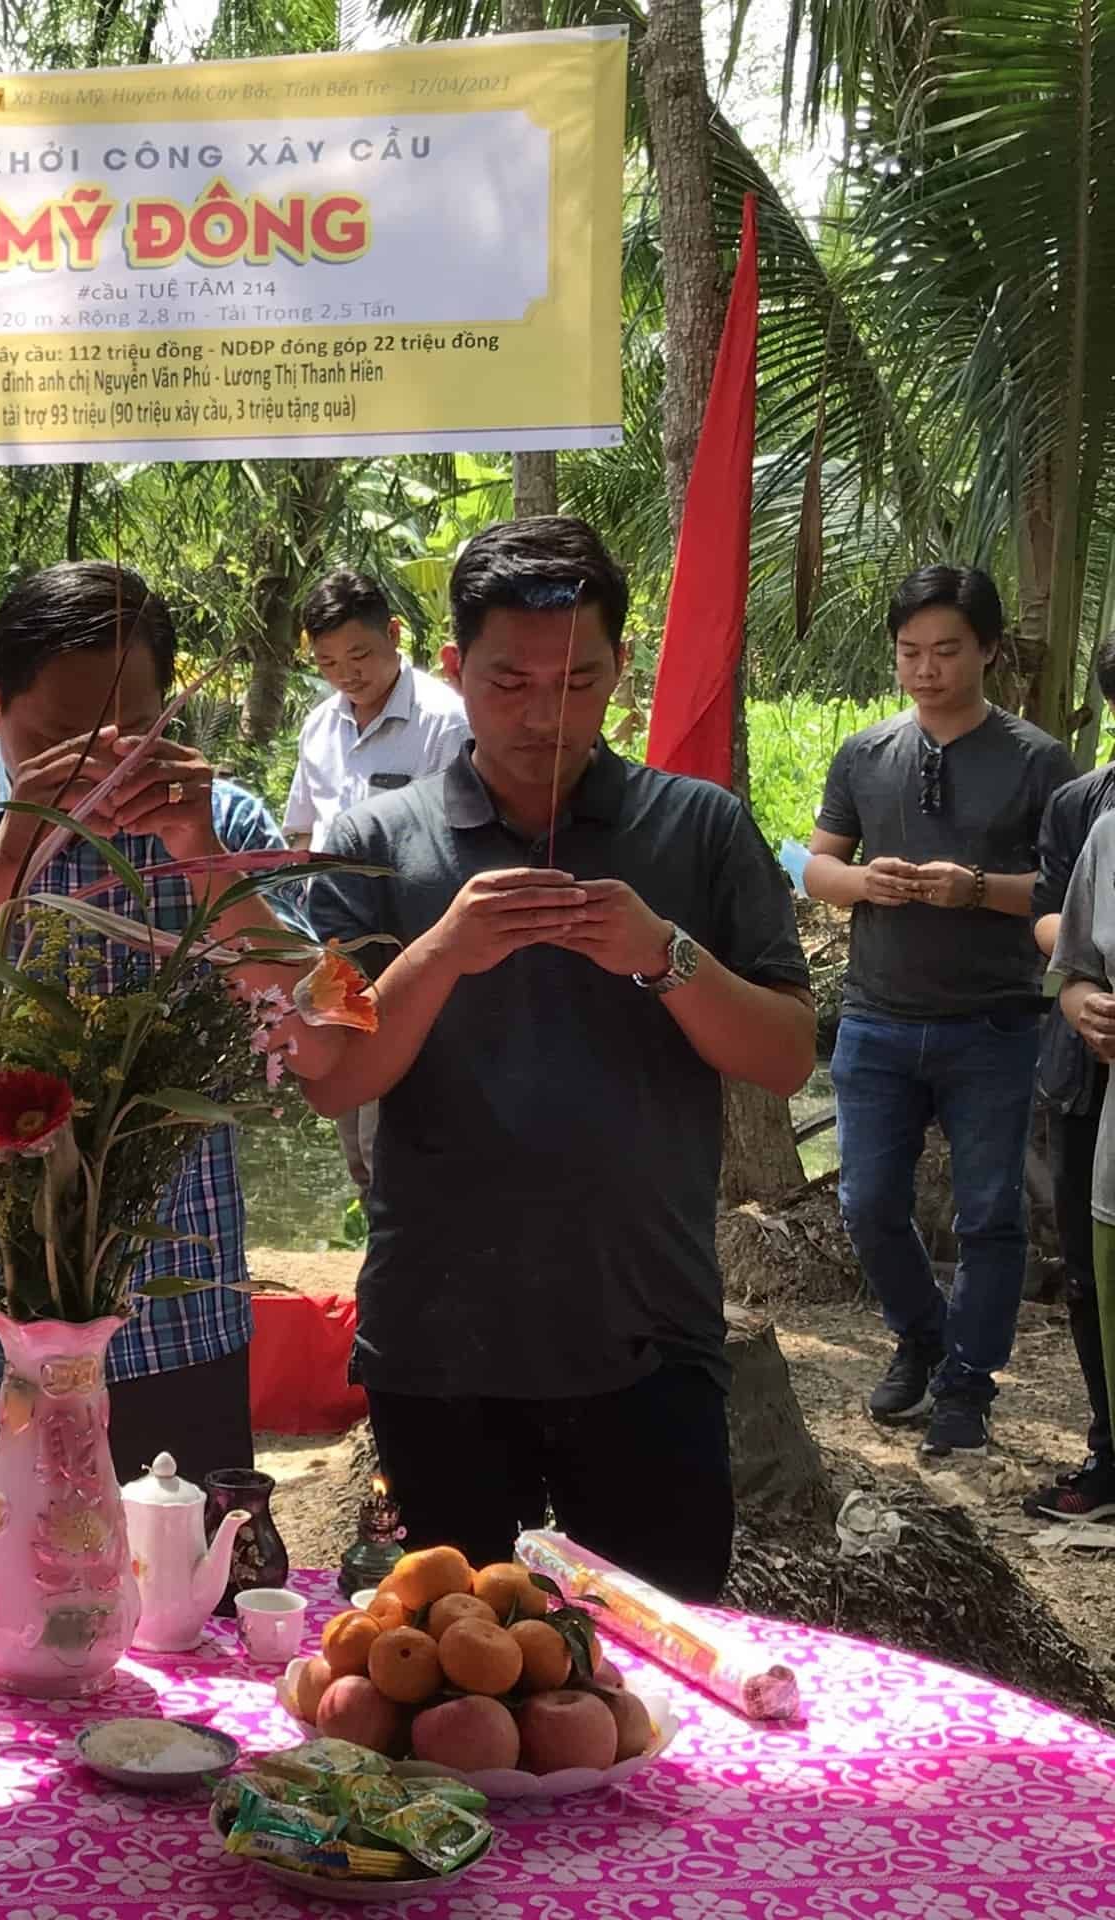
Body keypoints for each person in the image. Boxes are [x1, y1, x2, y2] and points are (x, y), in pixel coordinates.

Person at [305, 516, 812, 1604]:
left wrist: (665, 955)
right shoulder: (374, 846)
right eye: (510, 683)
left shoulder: (700, 830)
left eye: (578, 682)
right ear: (454, 670)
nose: (546, 716)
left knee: (656, 1665)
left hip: (647, 1334)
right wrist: (442, 950)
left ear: (620, 668)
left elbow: (784, 1058)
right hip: (437, 1344)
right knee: (449, 1663)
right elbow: (333, 1076)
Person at [0, 559, 333, 1615]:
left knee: (183, 1633)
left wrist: (199, 856)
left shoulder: (226, 825)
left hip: (174, 1318)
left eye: (132, 736)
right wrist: (10, 853)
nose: (101, 775)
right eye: (61, 742)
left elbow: (325, 1035)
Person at [806, 565, 1077, 1461]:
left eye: (946, 651)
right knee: (867, 1202)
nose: (925, 670)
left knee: (990, 1213)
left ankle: (968, 1385)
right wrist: (862, 881)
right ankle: (923, 1333)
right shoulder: (865, 753)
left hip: (994, 1023)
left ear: (989, 650)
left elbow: (1067, 893)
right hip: (877, 1017)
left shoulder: (1038, 761)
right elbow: (815, 866)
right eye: (909, 652)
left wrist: (977, 889)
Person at [281, 568, 470, 1192]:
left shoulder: (445, 723)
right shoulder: (319, 727)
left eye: (359, 654)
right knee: (352, 1122)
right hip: (336, 953)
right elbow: (301, 834)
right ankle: (379, 1225)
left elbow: (459, 845)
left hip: (411, 949)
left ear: (393, 634)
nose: (346, 673)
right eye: (328, 662)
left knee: (400, 1126)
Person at [1029, 632, 1115, 1521]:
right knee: (1091, 1271)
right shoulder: (1085, 808)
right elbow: (1052, 921)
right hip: (1088, 1076)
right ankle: (1108, 1448)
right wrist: (1083, 992)